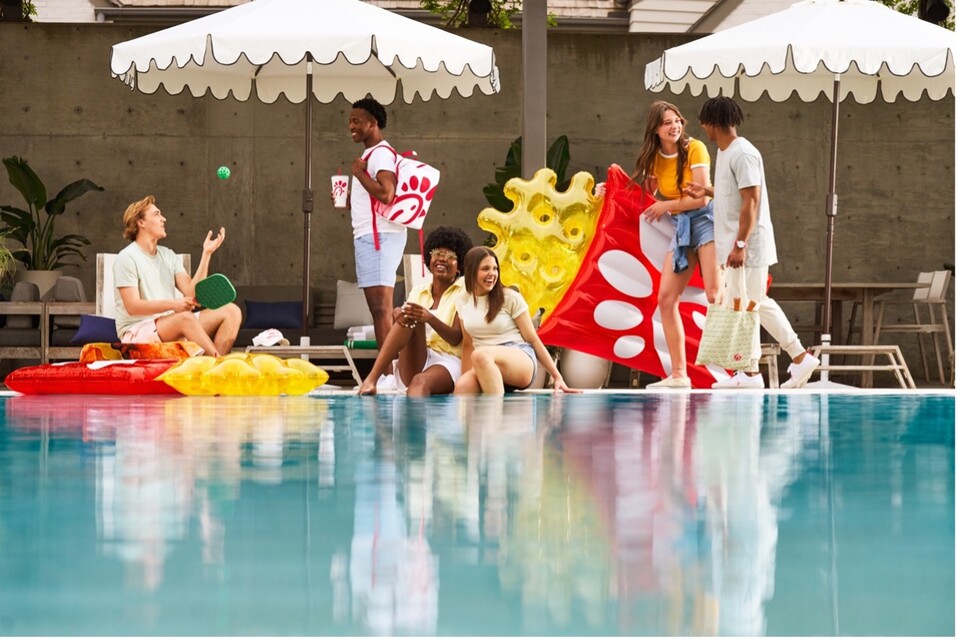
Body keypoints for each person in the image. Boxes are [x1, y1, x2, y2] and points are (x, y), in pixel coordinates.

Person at [687, 96, 820, 389]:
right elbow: (734, 193)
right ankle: (781, 363)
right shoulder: (726, 152)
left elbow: (751, 200)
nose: (703, 129)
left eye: (704, 123)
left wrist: (740, 245)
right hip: (735, 246)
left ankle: (758, 371)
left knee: (749, 304)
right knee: (751, 304)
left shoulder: (743, 153)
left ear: (713, 123)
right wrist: (706, 190)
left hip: (748, 247)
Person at [635, 101, 721, 389]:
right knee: (666, 298)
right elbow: (642, 196)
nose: (674, 127)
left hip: (706, 220)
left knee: (715, 294)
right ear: (655, 130)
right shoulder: (654, 157)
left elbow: (702, 198)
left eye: (677, 120)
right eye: (666, 123)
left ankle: (740, 368)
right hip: (681, 226)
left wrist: (666, 205)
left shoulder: (695, 147)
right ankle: (679, 374)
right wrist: (606, 189)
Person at [113, 195, 241, 357]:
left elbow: (191, 292)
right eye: (157, 214)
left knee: (231, 311)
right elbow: (133, 307)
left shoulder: (168, 255)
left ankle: (212, 366)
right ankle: (219, 363)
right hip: (137, 333)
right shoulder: (127, 258)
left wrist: (206, 254)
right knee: (184, 318)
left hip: (171, 325)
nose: (163, 219)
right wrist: (173, 305)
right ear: (141, 222)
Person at [358, 226, 473, 397]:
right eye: (437, 253)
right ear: (429, 258)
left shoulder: (465, 292)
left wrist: (429, 318)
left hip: (448, 360)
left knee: (420, 381)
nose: (442, 259)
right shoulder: (419, 291)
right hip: (418, 356)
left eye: (451, 256)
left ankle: (412, 414)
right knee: (407, 315)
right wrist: (397, 313)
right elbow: (404, 327)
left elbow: (456, 338)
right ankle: (372, 379)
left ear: (459, 266)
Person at [454, 246, 577, 395]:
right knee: (463, 386)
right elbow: (468, 344)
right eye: (485, 269)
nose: (492, 273)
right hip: (484, 363)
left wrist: (557, 376)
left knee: (480, 354)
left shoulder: (510, 297)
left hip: (518, 357)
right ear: (471, 271)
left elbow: (532, 339)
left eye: (495, 269)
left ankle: (496, 410)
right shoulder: (462, 300)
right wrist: (468, 376)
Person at [345, 97, 405, 353]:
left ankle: (389, 370)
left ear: (373, 123)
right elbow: (375, 198)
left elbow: (386, 193)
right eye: (349, 122)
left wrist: (358, 173)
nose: (351, 126)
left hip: (378, 237)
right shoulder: (371, 154)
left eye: (356, 121)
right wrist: (350, 200)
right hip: (373, 235)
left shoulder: (380, 153)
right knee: (379, 308)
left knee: (381, 308)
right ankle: (390, 367)